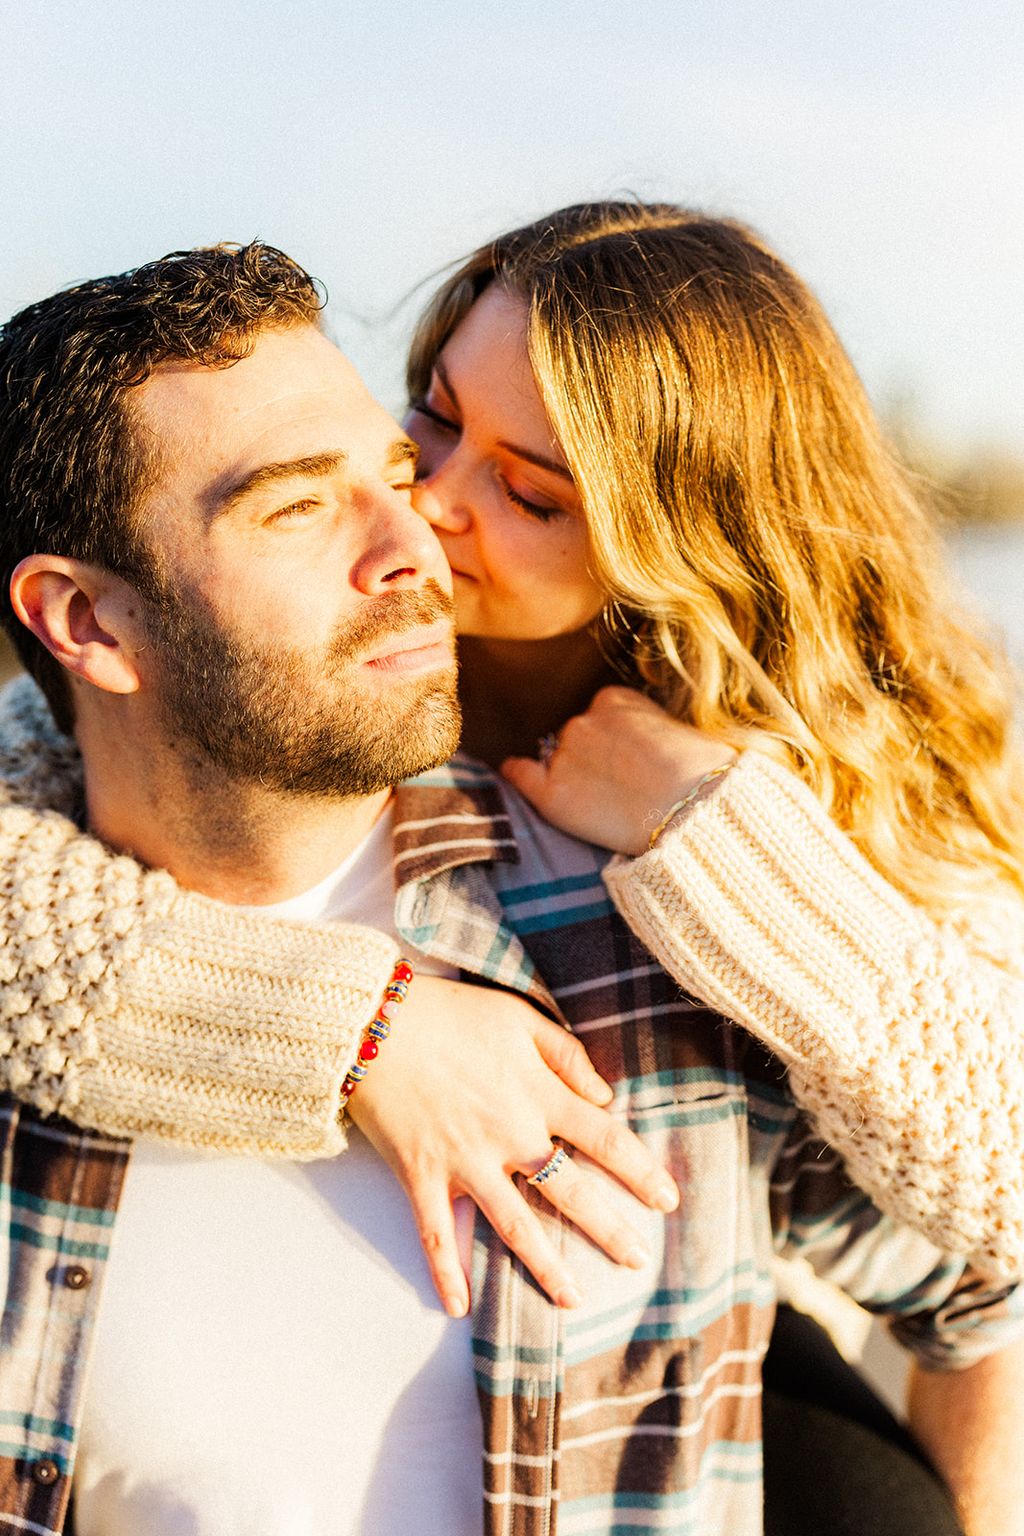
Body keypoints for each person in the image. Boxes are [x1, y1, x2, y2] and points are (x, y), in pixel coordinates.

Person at [0, 240, 1022, 1536]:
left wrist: (718, 842)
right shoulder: (59, 796)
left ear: (667, 561)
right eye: (426, 422)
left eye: (531, 494)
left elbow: (993, 1251)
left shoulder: (731, 874)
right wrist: (357, 1028)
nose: (421, 515)